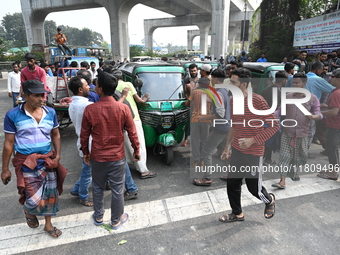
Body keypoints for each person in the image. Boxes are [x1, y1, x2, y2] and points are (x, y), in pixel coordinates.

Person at [1, 79, 67, 238]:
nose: (41, 99)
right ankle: (28, 210)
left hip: (48, 160)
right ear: (25, 95)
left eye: (42, 95)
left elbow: (56, 134)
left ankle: (48, 224)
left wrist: (57, 156)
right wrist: (5, 169)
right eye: (36, 96)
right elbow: (9, 144)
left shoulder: (50, 112)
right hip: (26, 164)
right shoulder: (13, 115)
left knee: (50, 195)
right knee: (33, 200)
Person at [80, 71, 140, 229]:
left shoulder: (90, 110)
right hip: (117, 156)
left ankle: (98, 217)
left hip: (98, 156)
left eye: (96, 85)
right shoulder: (123, 108)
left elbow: (84, 135)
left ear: (99, 89)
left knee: (98, 187)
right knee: (117, 189)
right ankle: (116, 220)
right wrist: (136, 150)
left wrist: (86, 152)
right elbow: (132, 133)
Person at [219, 67, 278, 223]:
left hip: (254, 151)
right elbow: (234, 125)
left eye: (233, 82)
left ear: (244, 84)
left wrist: (252, 140)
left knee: (254, 189)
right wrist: (227, 147)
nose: (230, 84)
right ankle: (237, 213)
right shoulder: (232, 101)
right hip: (238, 150)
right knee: (232, 182)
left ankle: (269, 200)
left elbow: (274, 126)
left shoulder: (257, 100)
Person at [272, 73, 322, 189]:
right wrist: (273, 114)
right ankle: (282, 180)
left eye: (297, 83)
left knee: (300, 156)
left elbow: (318, 112)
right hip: (287, 132)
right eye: (293, 82)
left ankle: (294, 171)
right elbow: (280, 110)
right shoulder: (288, 96)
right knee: (284, 156)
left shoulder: (313, 98)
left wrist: (314, 117)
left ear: (304, 84)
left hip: (303, 133)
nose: (294, 84)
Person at [114, 70, 157, 179]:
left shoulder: (111, 87)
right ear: (122, 77)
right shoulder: (127, 84)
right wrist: (146, 98)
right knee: (139, 144)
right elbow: (139, 100)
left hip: (120, 119)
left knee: (127, 143)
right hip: (133, 118)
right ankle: (143, 170)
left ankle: (130, 164)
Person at [193, 69, 230, 186]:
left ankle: (207, 178)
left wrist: (204, 118)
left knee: (206, 152)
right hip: (227, 126)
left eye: (212, 78)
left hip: (220, 128)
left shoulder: (219, 92)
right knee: (226, 151)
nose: (210, 81)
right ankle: (232, 175)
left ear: (215, 79)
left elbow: (220, 114)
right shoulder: (225, 91)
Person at [68, 76, 94, 207]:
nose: (89, 86)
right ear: (80, 90)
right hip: (89, 143)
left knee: (86, 169)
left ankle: (76, 189)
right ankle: (83, 196)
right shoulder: (87, 106)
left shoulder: (73, 104)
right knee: (87, 172)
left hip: (82, 141)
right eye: (86, 85)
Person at [261, 71, 288, 165]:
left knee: (268, 140)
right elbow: (277, 108)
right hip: (271, 119)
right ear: (284, 80)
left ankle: (268, 159)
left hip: (263, 117)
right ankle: (264, 159)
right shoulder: (278, 92)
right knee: (270, 140)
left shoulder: (267, 89)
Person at [317, 68, 340, 180]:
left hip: (334, 125)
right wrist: (327, 106)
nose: (330, 79)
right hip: (337, 125)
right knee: (334, 148)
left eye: (332, 77)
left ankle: (333, 172)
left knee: (331, 148)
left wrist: (319, 113)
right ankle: (333, 169)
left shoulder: (336, 93)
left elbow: (334, 112)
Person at [184, 77, 212, 167]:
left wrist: (185, 103)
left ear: (199, 84)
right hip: (206, 119)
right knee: (204, 140)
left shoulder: (195, 92)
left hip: (195, 119)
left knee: (195, 140)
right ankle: (203, 161)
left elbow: (188, 103)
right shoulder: (211, 93)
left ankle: (196, 160)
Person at [182, 63, 199, 147]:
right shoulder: (187, 81)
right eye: (191, 71)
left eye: (194, 70)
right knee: (188, 123)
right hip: (190, 104)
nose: (193, 72)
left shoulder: (201, 80)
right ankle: (186, 139)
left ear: (197, 70)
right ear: (189, 71)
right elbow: (185, 93)